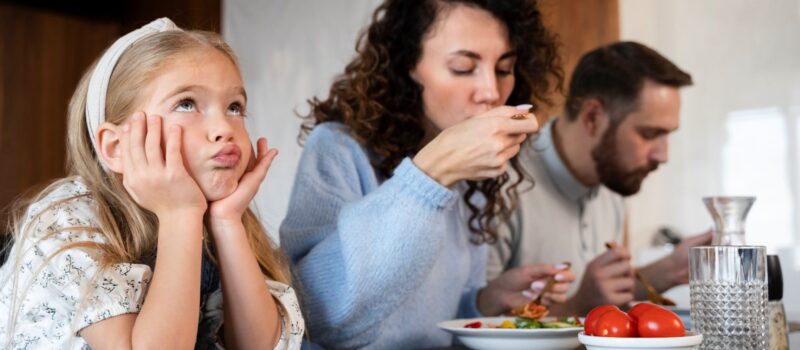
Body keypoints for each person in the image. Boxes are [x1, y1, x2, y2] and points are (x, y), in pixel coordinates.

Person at [279, 0, 575, 348]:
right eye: (464, 68)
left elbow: (432, 325)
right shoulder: (338, 149)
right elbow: (316, 317)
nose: (492, 93)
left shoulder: (470, 177)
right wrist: (429, 176)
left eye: (504, 69)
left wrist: (485, 301)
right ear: (409, 63)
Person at [0, 18, 304, 349]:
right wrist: (179, 216)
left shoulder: (216, 219)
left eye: (234, 107)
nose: (224, 128)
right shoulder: (69, 221)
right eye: (186, 104)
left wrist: (227, 221)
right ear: (116, 147)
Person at [488, 41, 712, 316]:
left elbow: (602, 295)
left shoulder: (611, 178)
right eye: (649, 134)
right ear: (592, 117)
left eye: (667, 135)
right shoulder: (500, 182)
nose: (663, 155)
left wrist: (672, 268)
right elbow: (472, 323)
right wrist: (578, 306)